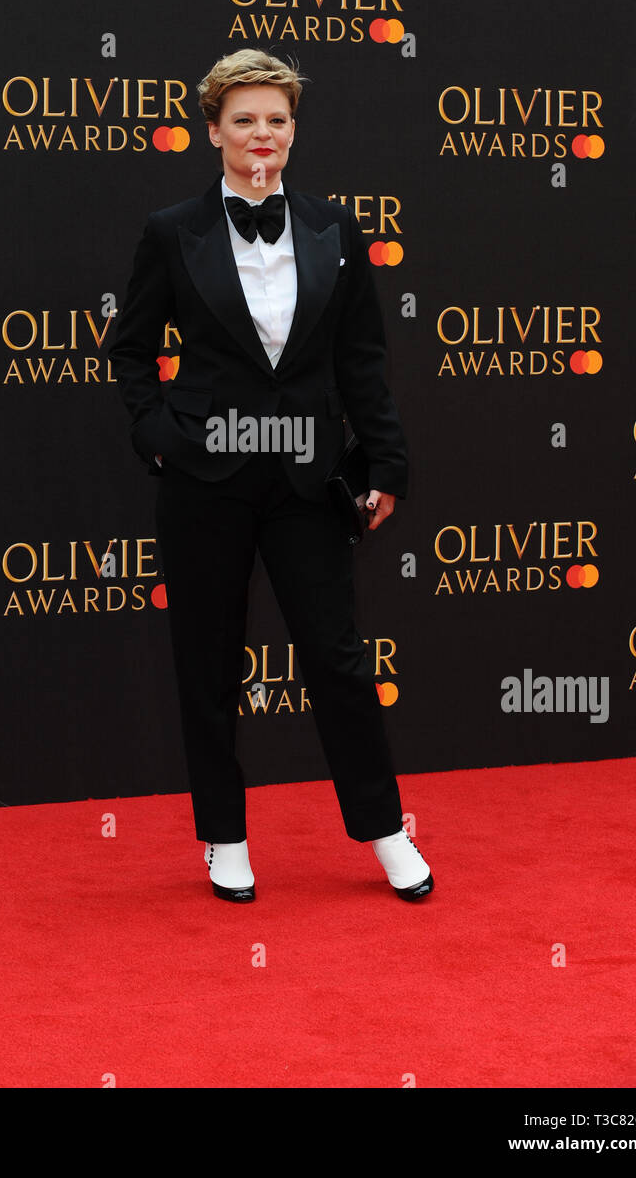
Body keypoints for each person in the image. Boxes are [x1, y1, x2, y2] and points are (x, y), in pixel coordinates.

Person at [108, 48, 433, 904]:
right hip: (204, 482)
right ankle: (223, 836)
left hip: (305, 477)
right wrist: (159, 439)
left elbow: (361, 360)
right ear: (212, 129)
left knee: (335, 657)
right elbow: (131, 352)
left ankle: (382, 828)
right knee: (209, 663)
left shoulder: (333, 229)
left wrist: (385, 460)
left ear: (294, 132)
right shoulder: (171, 231)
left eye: (277, 120)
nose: (262, 135)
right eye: (245, 119)